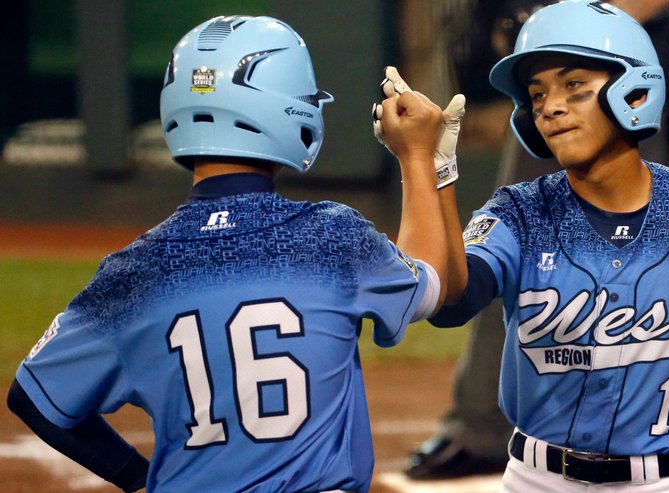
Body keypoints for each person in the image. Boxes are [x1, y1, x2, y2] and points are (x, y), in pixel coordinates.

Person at [382, 2, 669, 491]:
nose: (551, 107)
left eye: (574, 86)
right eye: (538, 96)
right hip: (537, 480)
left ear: (633, 89)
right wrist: (430, 168)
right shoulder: (519, 210)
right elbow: (450, 302)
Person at [6, 16, 455, 493]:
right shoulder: (331, 236)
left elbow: (32, 397)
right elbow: (431, 282)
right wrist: (419, 158)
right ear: (289, 113)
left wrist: (136, 478)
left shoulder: (133, 273)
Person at [404, 0, 669, 480]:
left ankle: (630, 427)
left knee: (627, 269)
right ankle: (481, 427)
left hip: (616, 76)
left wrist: (583, 27)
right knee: (509, 250)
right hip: (549, 65)